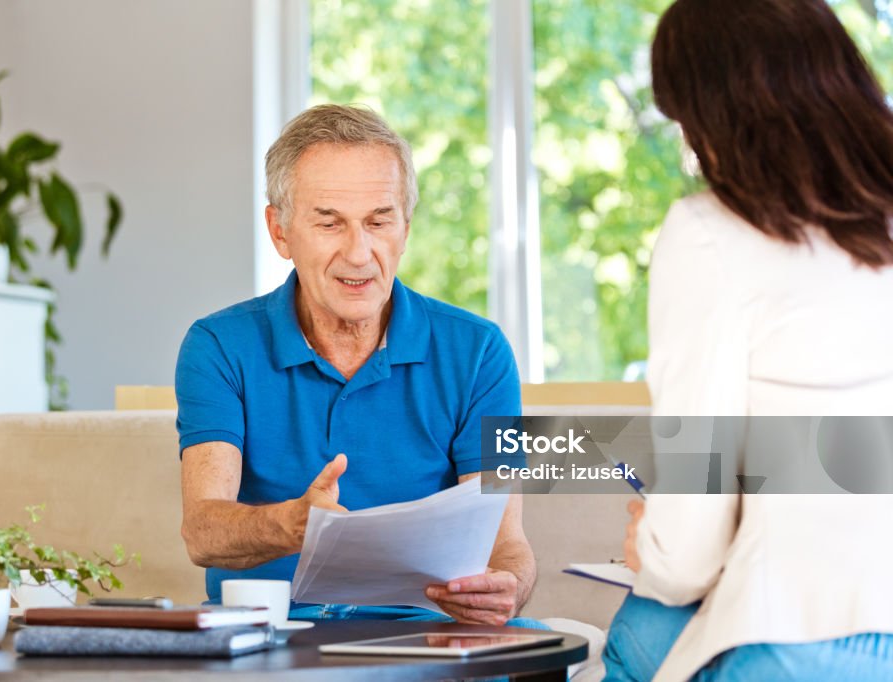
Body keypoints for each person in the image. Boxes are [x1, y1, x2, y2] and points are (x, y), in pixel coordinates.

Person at [602, 0, 893, 679]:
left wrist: (656, 552)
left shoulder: (711, 232)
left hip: (807, 638)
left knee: (638, 627)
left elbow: (688, 552)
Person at [175, 104, 542, 627]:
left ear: (406, 226)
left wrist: (507, 588)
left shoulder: (479, 351)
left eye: (379, 221)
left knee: (538, 648)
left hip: (425, 632)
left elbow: (507, 544)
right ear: (280, 231)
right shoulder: (218, 345)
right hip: (272, 634)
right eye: (330, 223)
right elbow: (203, 532)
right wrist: (296, 524)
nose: (359, 252)